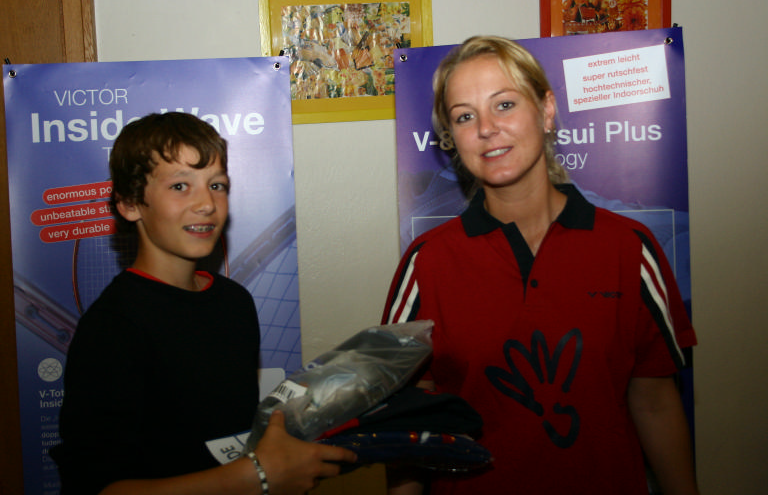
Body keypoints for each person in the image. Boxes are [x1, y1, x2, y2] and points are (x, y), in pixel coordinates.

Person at [381, 36, 699, 495]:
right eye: (465, 116)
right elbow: (409, 423)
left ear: (547, 111)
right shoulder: (426, 262)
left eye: (504, 105)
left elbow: (653, 402)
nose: (486, 128)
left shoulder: (630, 248)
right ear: (452, 137)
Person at [51, 112, 356, 495]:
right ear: (130, 204)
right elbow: (96, 488)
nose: (207, 204)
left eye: (217, 185)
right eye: (180, 186)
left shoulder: (233, 302)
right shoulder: (113, 327)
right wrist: (256, 478)